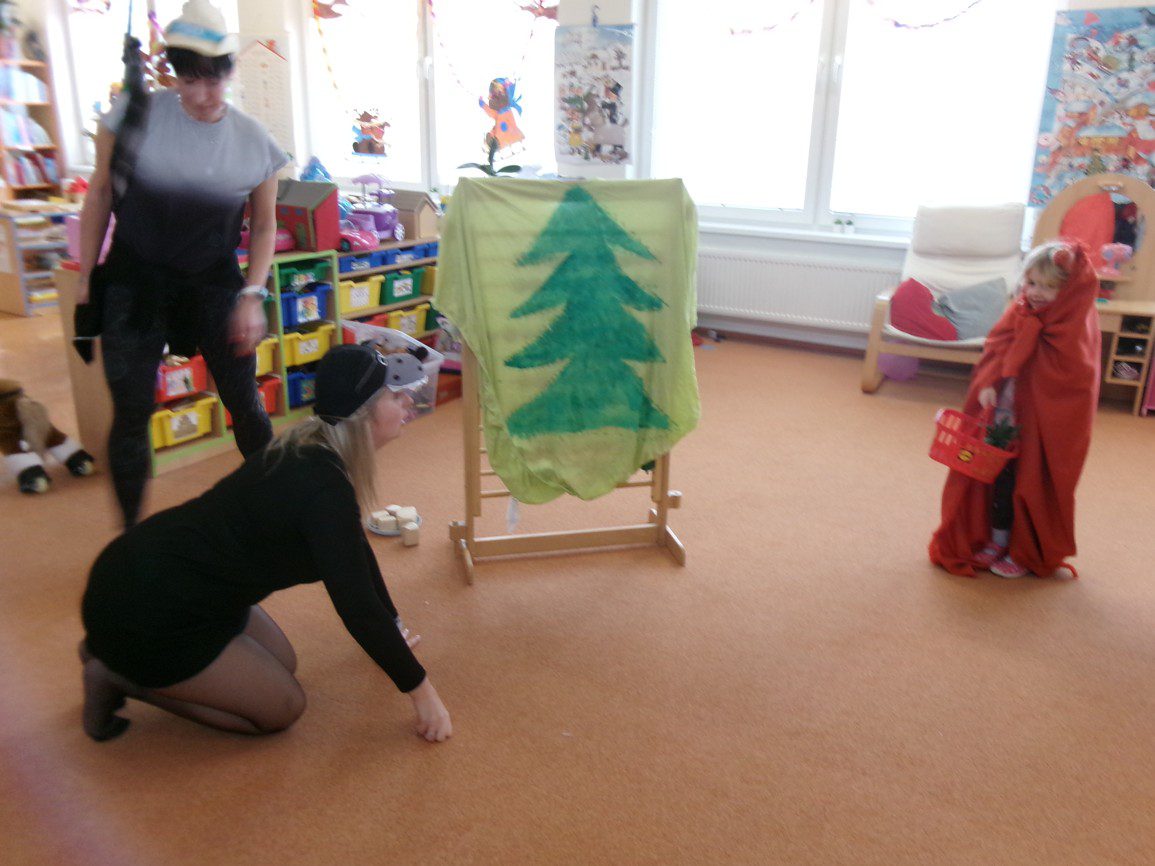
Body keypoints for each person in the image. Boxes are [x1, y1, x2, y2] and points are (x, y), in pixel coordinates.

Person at [78, 344, 453, 744]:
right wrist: (421, 691)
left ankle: (123, 656)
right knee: (282, 708)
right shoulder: (323, 488)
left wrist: (393, 625)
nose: (408, 402)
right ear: (363, 414)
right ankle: (117, 675)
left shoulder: (311, 446)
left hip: (179, 581)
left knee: (284, 664)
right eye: (395, 396)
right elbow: (356, 604)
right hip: (145, 606)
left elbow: (355, 551)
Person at [76, 0, 289, 527]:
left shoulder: (254, 142)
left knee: (244, 399)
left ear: (230, 71)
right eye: (187, 79)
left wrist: (252, 295)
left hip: (213, 281)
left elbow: (264, 226)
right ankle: (131, 535)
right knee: (131, 414)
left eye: (212, 79)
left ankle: (277, 512)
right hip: (133, 279)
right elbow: (99, 194)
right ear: (172, 72)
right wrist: (85, 278)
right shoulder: (133, 116)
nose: (199, 94)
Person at [929, 241, 1101, 579]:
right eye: (1032, 282)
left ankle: (1024, 550)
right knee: (997, 481)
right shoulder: (1019, 311)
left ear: (1069, 292)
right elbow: (997, 348)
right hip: (1004, 417)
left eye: (1049, 287)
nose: (1036, 292)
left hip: (1041, 424)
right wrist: (989, 381)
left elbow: (1075, 380)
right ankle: (996, 540)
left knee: (1030, 483)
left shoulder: (1075, 327)